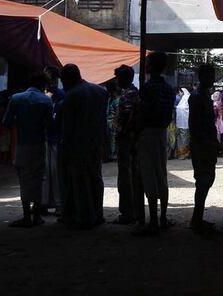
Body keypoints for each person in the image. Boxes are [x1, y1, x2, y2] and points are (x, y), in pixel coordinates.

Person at [59, 64, 108, 229]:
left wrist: (65, 149)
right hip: (97, 142)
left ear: (67, 79)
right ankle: (98, 213)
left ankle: (85, 216)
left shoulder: (71, 96)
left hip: (78, 145)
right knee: (96, 179)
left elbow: (68, 127)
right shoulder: (101, 91)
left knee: (80, 182)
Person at [133, 52, 176, 236]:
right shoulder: (168, 88)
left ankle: (153, 221)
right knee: (161, 173)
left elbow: (142, 114)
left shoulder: (148, 87)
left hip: (148, 133)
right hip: (161, 132)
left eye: (148, 62)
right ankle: (163, 217)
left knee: (148, 174)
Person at [3, 73, 53, 228]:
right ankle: (36, 215)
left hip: (22, 144)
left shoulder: (16, 98)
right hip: (39, 144)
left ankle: (26, 216)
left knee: (24, 179)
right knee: (38, 178)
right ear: (44, 85)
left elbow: (6, 122)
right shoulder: (46, 100)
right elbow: (50, 125)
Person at [189, 65, 221, 233]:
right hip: (202, 144)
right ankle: (196, 219)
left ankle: (197, 217)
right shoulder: (197, 97)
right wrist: (206, 143)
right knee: (203, 181)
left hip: (205, 143)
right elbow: (196, 125)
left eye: (212, 75)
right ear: (201, 76)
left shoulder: (203, 95)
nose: (211, 78)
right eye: (208, 75)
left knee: (205, 181)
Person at [113, 64, 142, 225]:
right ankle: (135, 211)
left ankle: (127, 213)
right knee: (134, 175)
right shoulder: (135, 93)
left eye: (118, 78)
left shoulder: (126, 95)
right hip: (134, 139)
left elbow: (126, 118)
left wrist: (122, 133)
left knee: (125, 175)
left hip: (126, 140)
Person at [42, 66, 65, 216]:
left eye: (55, 81)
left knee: (56, 171)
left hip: (57, 139)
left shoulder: (62, 96)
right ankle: (43, 203)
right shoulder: (41, 97)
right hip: (44, 139)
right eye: (50, 81)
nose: (53, 83)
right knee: (44, 172)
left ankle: (59, 204)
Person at [175, 87, 191, 159]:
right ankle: (183, 154)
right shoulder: (184, 98)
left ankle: (183, 154)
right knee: (184, 138)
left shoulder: (185, 98)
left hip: (183, 122)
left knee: (183, 138)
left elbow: (182, 108)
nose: (179, 94)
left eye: (180, 92)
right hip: (184, 123)